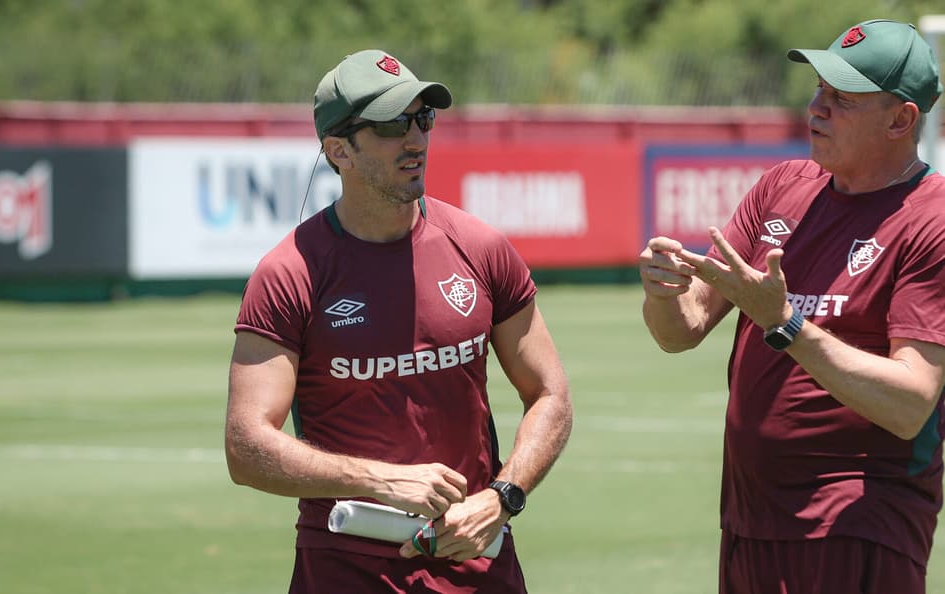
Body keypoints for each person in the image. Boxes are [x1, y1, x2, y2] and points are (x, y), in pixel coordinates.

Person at [224, 49, 572, 593]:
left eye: (422, 118)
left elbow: (550, 394)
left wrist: (502, 498)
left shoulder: (480, 248)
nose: (415, 140)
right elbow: (246, 448)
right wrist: (378, 480)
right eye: (390, 125)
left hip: (479, 568)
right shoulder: (288, 274)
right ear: (338, 149)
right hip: (344, 571)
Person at [639, 19, 945, 594]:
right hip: (750, 520)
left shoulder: (933, 220)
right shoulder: (782, 186)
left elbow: (911, 403)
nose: (815, 109)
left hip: (857, 527)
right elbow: (681, 331)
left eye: (841, 99)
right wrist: (663, 292)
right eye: (818, 91)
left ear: (901, 119)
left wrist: (783, 323)